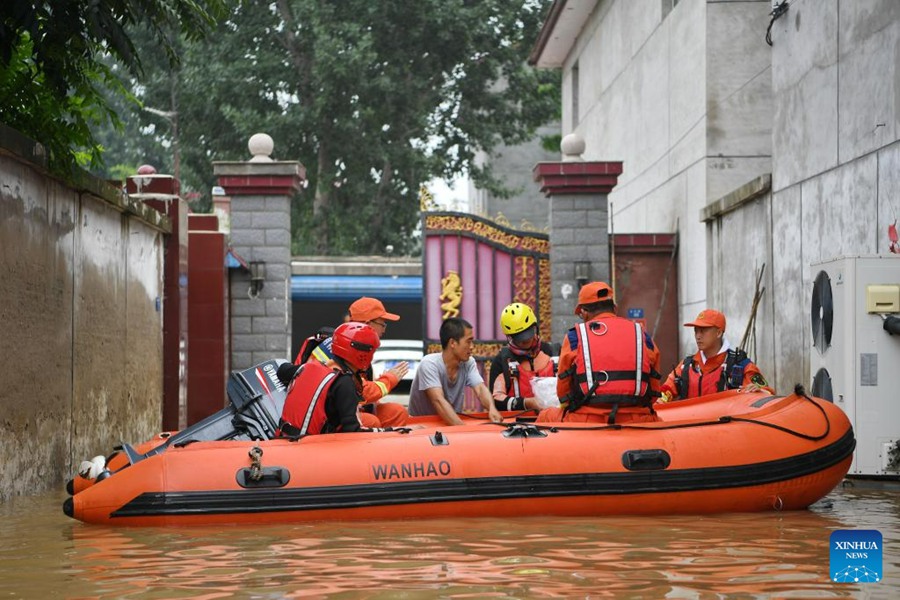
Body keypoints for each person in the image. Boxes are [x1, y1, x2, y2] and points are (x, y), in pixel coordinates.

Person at [537, 281, 661, 425]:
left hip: (587, 418)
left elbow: (563, 393)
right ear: (614, 308)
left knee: (544, 417)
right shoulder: (641, 333)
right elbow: (654, 388)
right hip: (638, 417)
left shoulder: (575, 336)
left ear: (583, 312)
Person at [295, 297, 410, 428]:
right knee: (371, 422)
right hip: (326, 413)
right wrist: (390, 379)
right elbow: (358, 391)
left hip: (345, 405)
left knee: (396, 412)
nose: (384, 330)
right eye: (382, 324)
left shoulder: (353, 343)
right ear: (368, 324)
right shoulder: (342, 346)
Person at [277, 322, 382, 435]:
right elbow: (353, 432)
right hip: (310, 446)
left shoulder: (307, 367)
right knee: (372, 422)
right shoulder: (344, 383)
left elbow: (282, 370)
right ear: (363, 354)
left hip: (285, 438)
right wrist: (388, 432)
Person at [659, 309, 772, 402]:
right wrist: (661, 399)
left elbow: (768, 393)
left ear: (718, 333)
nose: (698, 336)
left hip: (724, 427)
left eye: (703, 330)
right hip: (691, 427)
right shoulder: (686, 366)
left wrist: (759, 391)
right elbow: (667, 389)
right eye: (696, 330)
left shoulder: (740, 364)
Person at [408, 317, 503, 425]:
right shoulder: (429, 364)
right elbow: (438, 401)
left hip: (451, 423)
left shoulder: (468, 362)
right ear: (453, 343)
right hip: (422, 426)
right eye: (468, 341)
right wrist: (462, 429)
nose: (472, 347)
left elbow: (480, 389)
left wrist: (492, 408)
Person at [490, 302, 556, 411]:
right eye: (519, 337)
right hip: (516, 424)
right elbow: (496, 401)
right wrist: (526, 403)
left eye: (528, 333)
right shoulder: (502, 361)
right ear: (510, 337)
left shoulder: (553, 352)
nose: (525, 340)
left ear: (535, 328)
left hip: (554, 422)